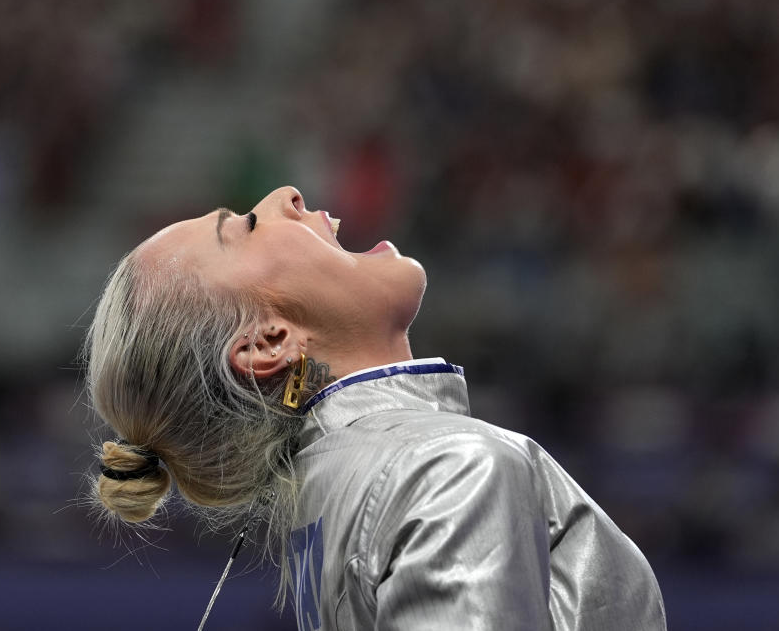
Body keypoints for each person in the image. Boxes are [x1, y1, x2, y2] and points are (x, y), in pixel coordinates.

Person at [85, 185, 667, 630]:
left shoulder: (330, 487)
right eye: (248, 226)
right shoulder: (448, 469)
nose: (287, 195)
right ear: (269, 342)